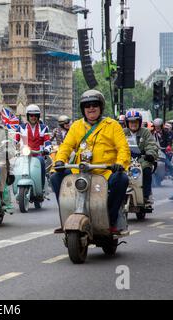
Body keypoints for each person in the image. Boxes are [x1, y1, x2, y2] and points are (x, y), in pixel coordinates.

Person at [50, 89, 130, 234]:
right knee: (56, 177)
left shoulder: (112, 125)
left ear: (101, 107)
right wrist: (60, 161)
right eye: (87, 105)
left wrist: (120, 164)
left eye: (94, 105)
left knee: (122, 179)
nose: (91, 108)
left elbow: (123, 148)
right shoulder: (76, 126)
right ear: (83, 109)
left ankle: (110, 221)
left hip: (105, 172)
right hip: (80, 172)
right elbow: (66, 146)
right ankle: (67, 216)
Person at [123, 110, 159, 207]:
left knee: (146, 170)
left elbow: (151, 144)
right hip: (125, 159)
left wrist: (150, 154)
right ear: (127, 123)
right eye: (131, 122)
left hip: (142, 159)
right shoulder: (122, 132)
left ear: (139, 122)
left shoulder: (145, 132)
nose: (133, 124)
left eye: (135, 121)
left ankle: (146, 196)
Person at [15, 104, 51, 188]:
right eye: (31, 115)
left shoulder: (44, 128)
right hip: (24, 154)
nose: (33, 117)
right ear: (28, 116)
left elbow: (47, 141)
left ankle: (41, 187)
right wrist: (11, 147)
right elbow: (15, 140)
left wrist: (47, 149)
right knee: (15, 164)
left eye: (35, 115)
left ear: (38, 116)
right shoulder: (21, 127)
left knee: (41, 161)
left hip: (38, 154)